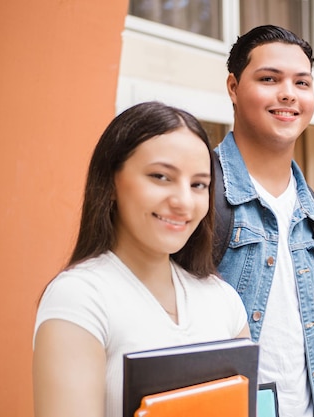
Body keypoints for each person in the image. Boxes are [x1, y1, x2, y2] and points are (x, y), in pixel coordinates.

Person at [32, 101, 250, 417]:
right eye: (161, 176)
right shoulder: (79, 298)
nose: (183, 201)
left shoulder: (222, 299)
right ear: (110, 183)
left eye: (199, 184)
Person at [214, 25, 314, 417]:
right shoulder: (201, 190)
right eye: (269, 79)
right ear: (233, 87)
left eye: (302, 82)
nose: (288, 93)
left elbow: (309, 315)